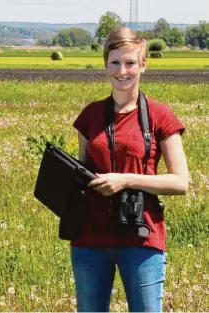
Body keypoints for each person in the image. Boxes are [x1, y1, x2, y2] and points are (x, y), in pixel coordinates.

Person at [71, 27, 188, 312]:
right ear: (105, 65)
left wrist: (125, 180)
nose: (122, 71)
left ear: (143, 65)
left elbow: (180, 182)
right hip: (89, 238)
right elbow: (81, 173)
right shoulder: (91, 115)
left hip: (141, 237)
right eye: (115, 62)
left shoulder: (160, 115)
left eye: (130, 63)